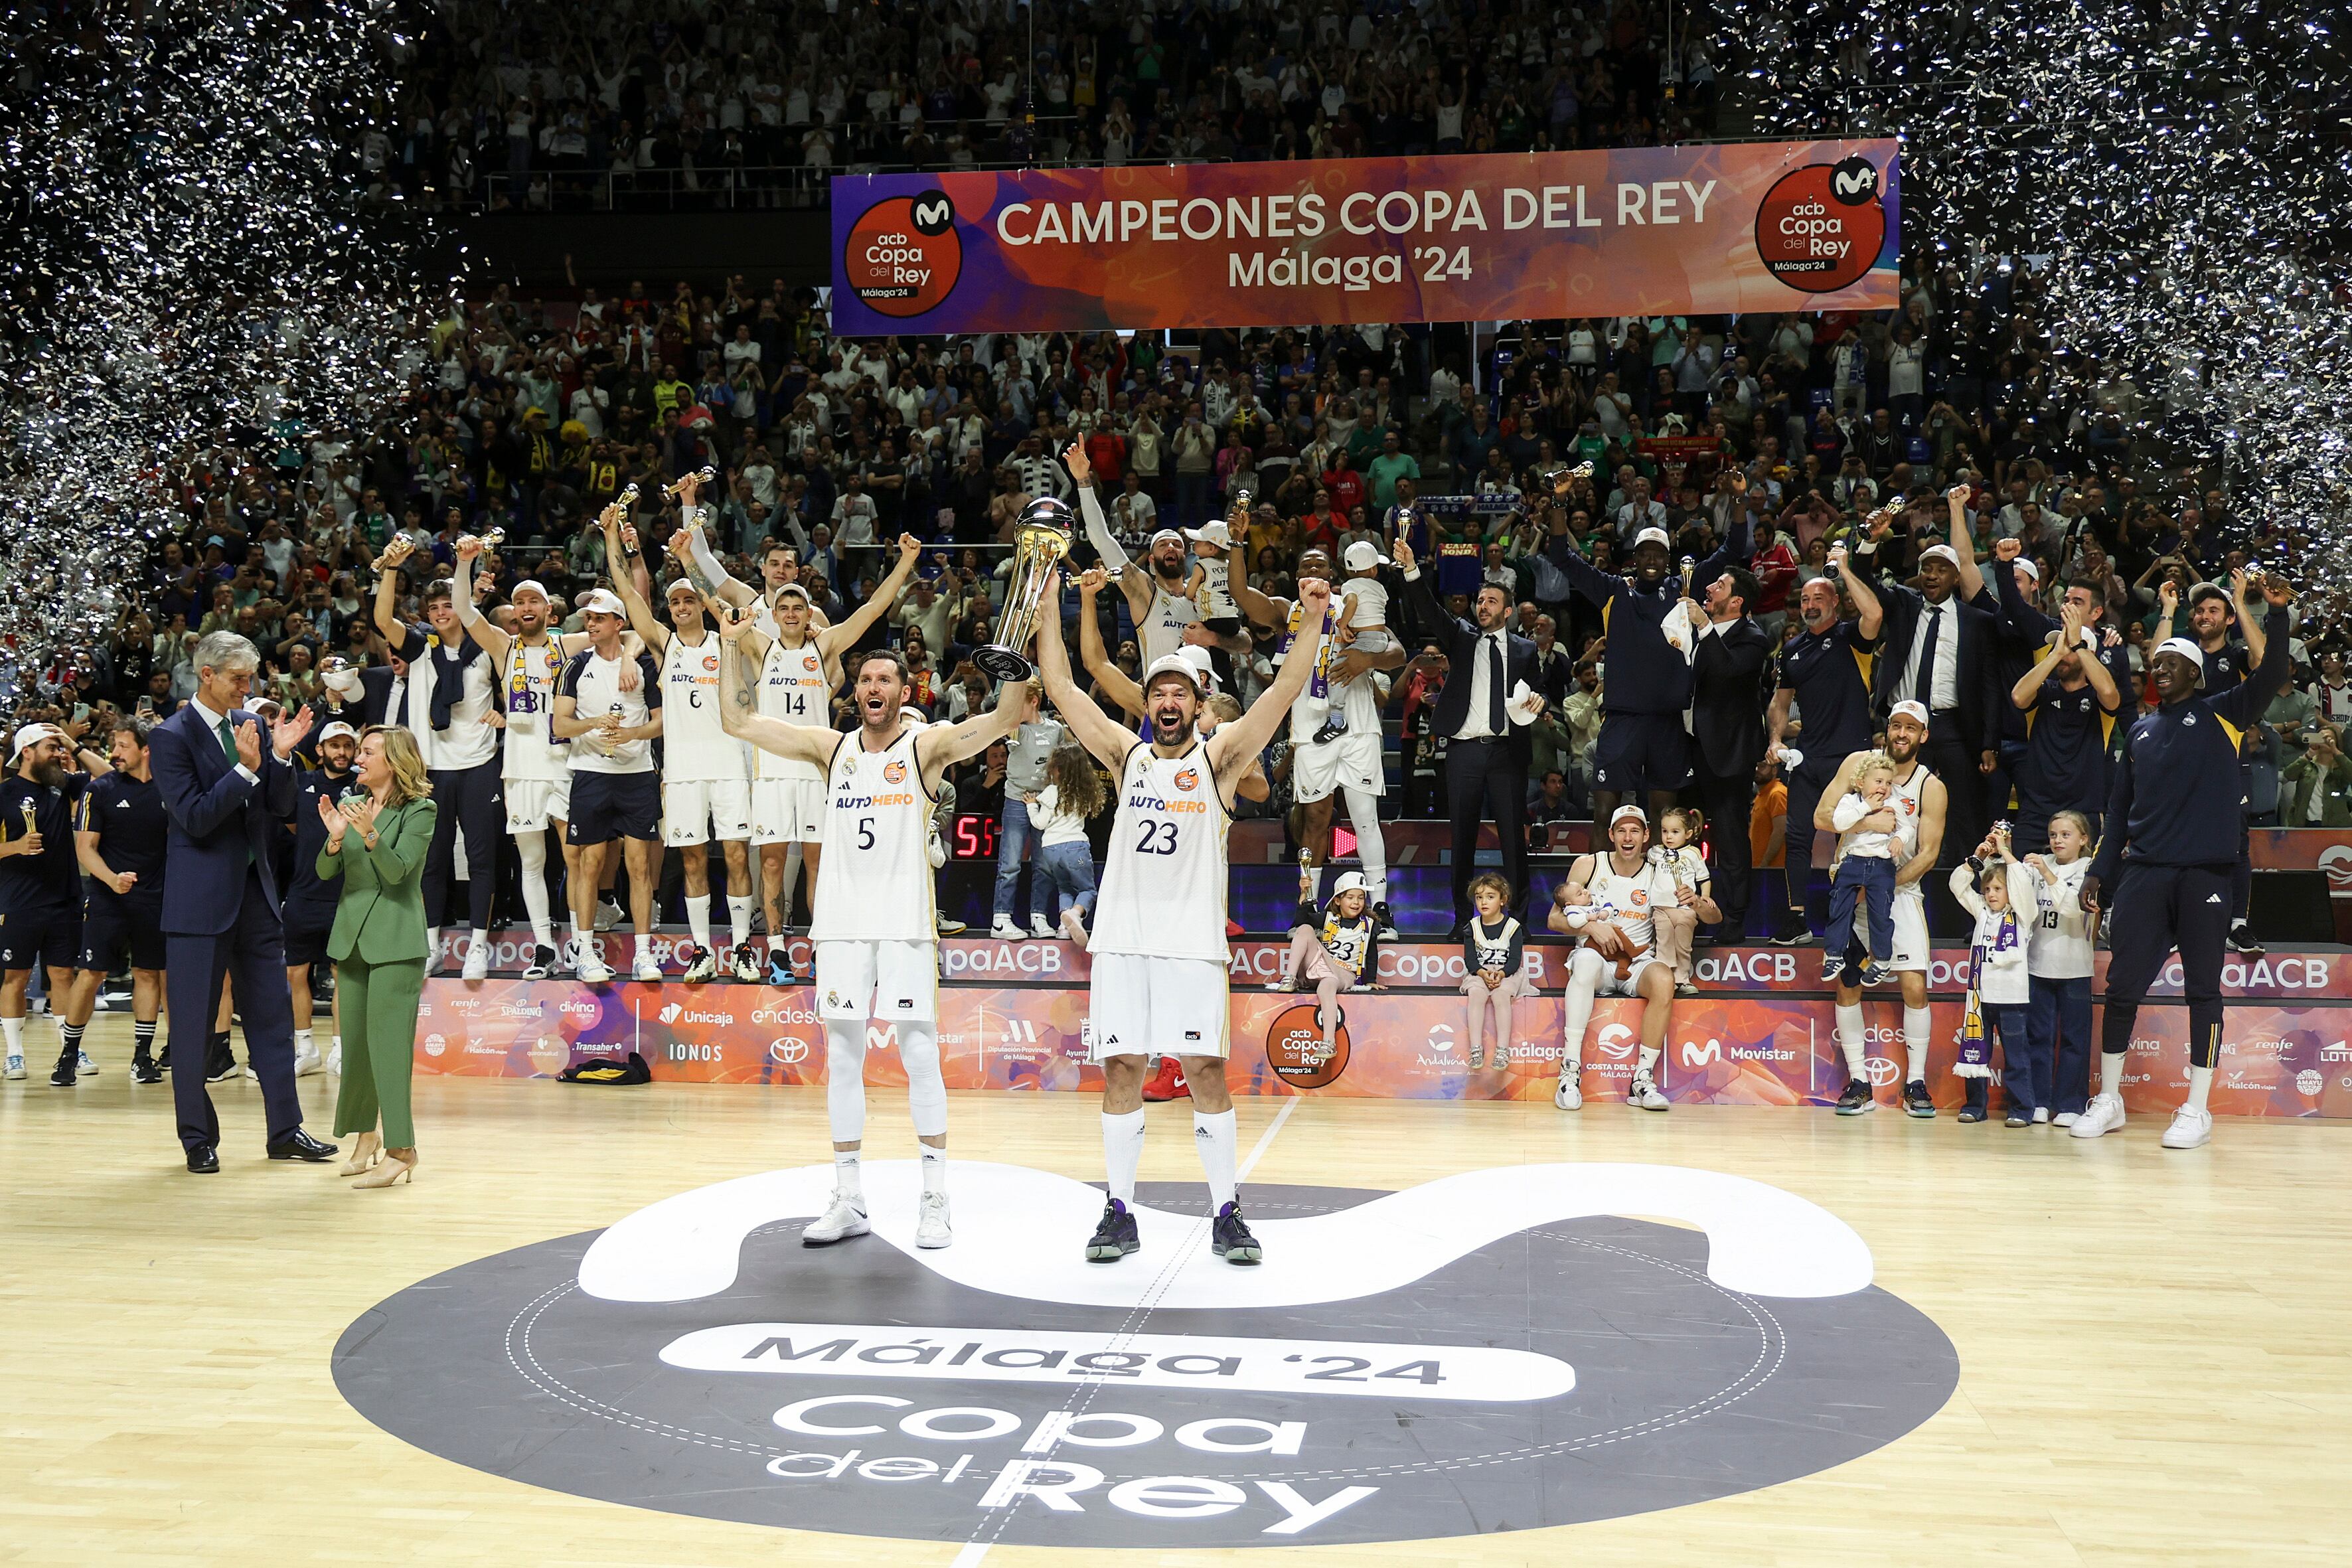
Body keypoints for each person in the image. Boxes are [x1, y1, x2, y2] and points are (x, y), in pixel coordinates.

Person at [1032, 567, 1327, 1267]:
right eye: (1159, 691)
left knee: (1205, 1073)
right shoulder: (1125, 755)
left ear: (1199, 707)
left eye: (1181, 693)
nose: (1168, 701)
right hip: (1126, 944)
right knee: (1123, 1069)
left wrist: (1311, 619)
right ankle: (1120, 1209)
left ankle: (1226, 1211)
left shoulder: (1221, 760)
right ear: (1149, 705)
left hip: (1193, 946)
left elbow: (1283, 692)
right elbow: (1066, 688)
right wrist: (1050, 607)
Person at [717, 619, 1034, 1252]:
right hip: (841, 927)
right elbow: (738, 722)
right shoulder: (830, 748)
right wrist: (729, 646)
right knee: (843, 1058)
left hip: (904, 928)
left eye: (884, 678)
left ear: (903, 691)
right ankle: (849, 1197)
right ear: (855, 692)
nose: (872, 685)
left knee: (917, 1055)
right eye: (864, 678)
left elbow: (1000, 721)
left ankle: (935, 1197)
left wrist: (1012, 668)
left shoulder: (925, 749)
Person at [2075, 572, 2294, 1150]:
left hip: (2206, 874)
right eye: (2157, 660)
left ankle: (2196, 1109)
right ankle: (2110, 1100)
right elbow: (2117, 815)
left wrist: (2272, 613)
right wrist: (2099, 871)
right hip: (2144, 873)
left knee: (2203, 989)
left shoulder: (2224, 711)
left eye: (2173, 660)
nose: (2160, 667)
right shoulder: (2139, 732)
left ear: (2195, 673)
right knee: (2121, 987)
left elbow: (2272, 673)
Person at [677, 525, 915, 981]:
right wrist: (689, 561)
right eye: (782, 606)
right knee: (769, 862)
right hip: (771, 771)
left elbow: (871, 610)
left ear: (809, 614)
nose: (789, 612)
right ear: (774, 612)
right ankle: (778, 951)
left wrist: (903, 562)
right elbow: (714, 604)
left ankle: (825, 944)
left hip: (817, 772)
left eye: (797, 607)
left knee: (819, 863)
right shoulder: (759, 646)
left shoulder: (823, 646)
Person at [147, 631, 337, 1173]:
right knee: (192, 1028)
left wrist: (278, 758)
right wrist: (246, 769)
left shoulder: (248, 726)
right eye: (237, 678)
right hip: (198, 903)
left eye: (250, 678)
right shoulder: (170, 737)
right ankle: (197, 1139)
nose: (246, 688)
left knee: (272, 1020)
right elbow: (196, 818)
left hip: (256, 897)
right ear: (206, 674)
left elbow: (279, 808)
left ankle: (286, 1130)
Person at [598, 508, 759, 982]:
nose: (684, 607)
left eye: (690, 600)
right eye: (677, 602)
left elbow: (717, 600)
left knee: (734, 855)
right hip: (684, 769)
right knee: (690, 857)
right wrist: (612, 537)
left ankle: (744, 948)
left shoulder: (727, 639)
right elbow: (627, 591)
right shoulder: (664, 645)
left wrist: (689, 562)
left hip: (729, 763)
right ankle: (701, 951)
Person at [451, 539, 619, 977]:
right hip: (521, 770)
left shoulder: (566, 646)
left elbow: (627, 632)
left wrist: (631, 659)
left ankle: (584, 948)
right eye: (518, 601)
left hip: (566, 766)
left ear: (549, 611)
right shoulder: (503, 647)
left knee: (577, 860)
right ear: (512, 612)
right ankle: (544, 946)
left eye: (534, 600)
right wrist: (464, 563)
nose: (525, 606)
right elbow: (465, 613)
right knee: (531, 862)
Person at [1231, 546, 1402, 935]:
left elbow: (1396, 650)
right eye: (1305, 565)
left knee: (1364, 820)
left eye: (1320, 565)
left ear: (1332, 573)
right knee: (1314, 820)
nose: (1312, 569)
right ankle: (1308, 906)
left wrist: (1368, 660)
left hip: (1358, 726)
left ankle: (1379, 909)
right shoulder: (1286, 611)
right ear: (1297, 575)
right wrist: (1240, 546)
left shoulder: (1353, 605)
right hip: (1310, 731)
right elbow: (1242, 594)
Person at [1549, 507, 1751, 834]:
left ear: (1668, 561)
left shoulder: (1684, 586)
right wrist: (1559, 502)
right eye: (1645, 555)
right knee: (1605, 814)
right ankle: (1599, 885)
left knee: (1664, 818)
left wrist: (1738, 499)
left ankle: (1660, 885)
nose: (1652, 561)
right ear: (1635, 559)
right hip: (1621, 719)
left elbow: (1734, 548)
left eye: (1659, 555)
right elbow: (1561, 555)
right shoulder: (1614, 590)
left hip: (1667, 722)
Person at [1393, 536, 1541, 931]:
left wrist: (1539, 701)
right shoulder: (1461, 636)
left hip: (1508, 751)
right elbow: (1427, 606)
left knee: (1514, 842)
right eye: (1480, 601)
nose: (1482, 607)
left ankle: (1519, 922)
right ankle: (1462, 920)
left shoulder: (1526, 650)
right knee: (1462, 841)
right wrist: (1411, 569)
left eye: (1491, 602)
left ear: (1508, 611)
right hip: (1464, 751)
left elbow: (1541, 691)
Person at [371, 538, 503, 979]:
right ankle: (431, 946)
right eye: (434, 608)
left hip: (480, 763)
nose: (442, 613)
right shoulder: (419, 647)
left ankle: (478, 949)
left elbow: (512, 695)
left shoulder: (485, 648)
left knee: (482, 859)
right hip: (432, 769)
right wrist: (390, 570)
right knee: (433, 860)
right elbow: (381, 619)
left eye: (449, 605)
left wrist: (502, 713)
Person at [313, 725, 437, 1188]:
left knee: (388, 1050)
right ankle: (367, 1137)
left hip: (395, 942)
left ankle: (402, 1150)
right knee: (358, 1051)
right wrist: (333, 839)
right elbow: (326, 871)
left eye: (367, 752)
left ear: (394, 760)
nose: (358, 758)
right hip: (352, 940)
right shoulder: (350, 806)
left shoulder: (421, 810)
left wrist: (370, 836)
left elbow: (399, 874)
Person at [1812, 702, 1948, 1119]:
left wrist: (1884, 887)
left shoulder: (1930, 787)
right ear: (1887, 729)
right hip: (1852, 884)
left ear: (1923, 735)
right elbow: (1821, 817)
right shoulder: (1859, 764)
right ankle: (1859, 1083)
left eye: (1911, 728)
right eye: (1895, 726)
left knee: (1914, 986)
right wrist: (1866, 825)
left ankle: (1916, 1083)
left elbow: (1928, 854)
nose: (1902, 734)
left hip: (1898, 892)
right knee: (1848, 983)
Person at [1849, 516, 2001, 867]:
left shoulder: (1976, 621)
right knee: (1895, 801)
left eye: (1942, 569)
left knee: (1961, 807)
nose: (1932, 575)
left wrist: (1989, 742)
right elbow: (1864, 576)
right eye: (1927, 568)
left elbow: (1989, 686)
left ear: (1956, 577)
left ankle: (1962, 881)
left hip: (1952, 726)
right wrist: (1869, 541)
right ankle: (1894, 873)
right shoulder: (1903, 604)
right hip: (1902, 724)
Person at [1549, 805, 1716, 1112]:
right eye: (1622, 830)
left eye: (1635, 830)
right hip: (1597, 959)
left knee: (1665, 979)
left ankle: (1642, 1079)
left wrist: (1697, 902)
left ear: (1646, 836)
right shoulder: (1588, 864)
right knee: (1584, 962)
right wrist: (1591, 926)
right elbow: (1554, 920)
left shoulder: (1661, 868)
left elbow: (1714, 917)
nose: (1628, 837)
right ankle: (1569, 1072)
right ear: (1611, 834)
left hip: (1637, 961)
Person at [1767, 540, 1882, 941]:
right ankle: (1797, 918)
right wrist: (1776, 739)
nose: (1810, 604)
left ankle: (1850, 921)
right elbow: (1779, 705)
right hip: (1808, 757)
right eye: (1804, 598)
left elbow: (1875, 612)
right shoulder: (1792, 650)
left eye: (1819, 597)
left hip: (1852, 760)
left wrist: (1844, 570)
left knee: (1852, 838)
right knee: (1797, 836)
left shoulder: (1853, 637)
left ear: (1835, 601)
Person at [550, 584, 665, 984]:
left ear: (619, 623)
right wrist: (594, 724)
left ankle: (644, 954)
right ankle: (585, 953)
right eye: (588, 618)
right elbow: (560, 724)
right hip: (590, 774)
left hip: (636, 776)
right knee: (588, 866)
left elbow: (661, 720)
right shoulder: (575, 665)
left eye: (599, 618)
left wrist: (634, 735)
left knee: (639, 867)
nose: (590, 623)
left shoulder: (643, 664)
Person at [60, 718, 170, 1083]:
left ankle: (142, 1057)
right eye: (114, 746)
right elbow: (84, 848)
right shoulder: (100, 789)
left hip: (155, 898)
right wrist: (112, 879)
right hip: (108, 898)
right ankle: (68, 1056)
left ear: (145, 749)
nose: (115, 753)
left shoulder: (169, 790)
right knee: (91, 974)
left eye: (123, 746)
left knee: (148, 974)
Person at [2, 724, 96, 1083]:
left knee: (62, 976)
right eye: (51, 747)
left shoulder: (63, 786)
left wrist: (74, 743)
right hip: (19, 899)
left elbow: (107, 776)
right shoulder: (5, 793)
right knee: (17, 976)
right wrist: (15, 847)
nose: (58, 754)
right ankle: (13, 1054)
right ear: (27, 751)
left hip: (65, 898)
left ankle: (69, 1051)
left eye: (60, 748)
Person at [1687, 565, 1772, 939]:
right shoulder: (1693, 631)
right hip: (1685, 745)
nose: (1709, 587)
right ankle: (1680, 915)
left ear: (1736, 601)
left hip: (1728, 754)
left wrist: (1704, 628)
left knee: (1730, 837)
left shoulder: (1753, 638)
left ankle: (1733, 920)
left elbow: (1726, 671)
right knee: (1675, 832)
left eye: (1719, 585)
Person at [1069, 441, 1200, 665]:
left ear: (1184, 555)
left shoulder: (1201, 593)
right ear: (1151, 560)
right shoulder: (1144, 590)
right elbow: (1102, 538)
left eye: (1177, 545)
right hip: (1161, 695)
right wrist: (1083, 481)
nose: (1171, 548)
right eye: (1163, 545)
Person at [2006, 603, 2122, 855]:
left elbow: (2110, 694)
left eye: (2067, 647)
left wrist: (2078, 646)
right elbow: (2018, 696)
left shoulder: (2098, 698)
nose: (2062, 652)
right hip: (2036, 811)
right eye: (2058, 645)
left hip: (2084, 812)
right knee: (2022, 886)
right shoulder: (2044, 691)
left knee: (2080, 891)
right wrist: (2057, 654)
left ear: (2086, 652)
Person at [281, 722, 360, 1076]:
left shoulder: (361, 787)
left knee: (342, 973)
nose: (341, 752)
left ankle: (340, 1051)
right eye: (335, 746)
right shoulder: (302, 784)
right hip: (303, 895)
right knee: (296, 971)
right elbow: (291, 828)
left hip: (345, 896)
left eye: (347, 746)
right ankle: (305, 1048)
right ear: (320, 750)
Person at [1948, 826, 2035, 1125]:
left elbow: (2023, 881)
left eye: (1998, 889)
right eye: (1987, 889)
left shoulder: (2023, 915)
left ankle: (2022, 1110)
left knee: (2016, 1058)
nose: (1991, 894)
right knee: (1976, 1056)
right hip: (1979, 999)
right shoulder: (1982, 912)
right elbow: (1957, 885)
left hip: (2011, 999)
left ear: (2011, 891)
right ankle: (1975, 1106)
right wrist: (1979, 856)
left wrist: (2005, 849)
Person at [2023, 810, 2096, 1125]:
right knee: (2038, 1036)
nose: (2057, 841)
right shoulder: (2039, 862)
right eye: (2053, 835)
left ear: (2083, 839)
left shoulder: (2090, 869)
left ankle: (2071, 1104)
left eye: (2066, 835)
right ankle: (2039, 1100)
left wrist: (2048, 875)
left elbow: (2072, 908)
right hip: (2037, 963)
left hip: (2075, 966)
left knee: (2074, 1039)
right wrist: (2002, 852)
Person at [1267, 864, 1381, 1063]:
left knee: (1327, 986)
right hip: (1318, 968)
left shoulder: (1369, 925)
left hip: (1342, 975)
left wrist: (1370, 980)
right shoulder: (1327, 918)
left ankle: (1328, 1043)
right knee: (1304, 929)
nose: (1356, 902)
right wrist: (1303, 894)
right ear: (1338, 900)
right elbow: (1300, 921)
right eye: (1350, 897)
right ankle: (1290, 978)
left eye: (1361, 898)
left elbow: (1371, 954)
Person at [990, 682, 1065, 939]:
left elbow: (1062, 764)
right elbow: (1003, 723)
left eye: (1018, 701)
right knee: (1010, 864)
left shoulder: (1056, 730)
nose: (1014, 707)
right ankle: (1001, 919)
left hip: (1045, 802)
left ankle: (1038, 918)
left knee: (1044, 865)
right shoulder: (1014, 729)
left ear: (1034, 701)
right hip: (1017, 800)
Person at [1827, 754, 1903, 986]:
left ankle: (1881, 960)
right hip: (1853, 862)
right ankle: (1834, 955)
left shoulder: (1894, 803)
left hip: (1881, 865)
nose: (1884, 788)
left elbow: (1907, 827)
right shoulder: (1850, 801)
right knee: (1839, 907)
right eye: (1878, 781)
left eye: (1889, 783)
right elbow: (1839, 824)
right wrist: (1866, 808)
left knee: (1880, 914)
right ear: (1861, 782)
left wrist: (1900, 837)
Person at [1314, 538, 1394, 743]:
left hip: (1365, 640)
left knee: (1335, 675)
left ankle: (1337, 720)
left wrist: (1343, 625)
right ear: (1374, 570)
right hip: (1379, 639)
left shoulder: (1351, 585)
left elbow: (1353, 602)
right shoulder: (1380, 588)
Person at [1030, 742, 1104, 945]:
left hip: (1051, 851)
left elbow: (1040, 823)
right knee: (1087, 890)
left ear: (1058, 769)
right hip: (1076, 849)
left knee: (1065, 888)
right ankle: (1075, 913)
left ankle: (1064, 927)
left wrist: (1030, 807)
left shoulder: (1051, 792)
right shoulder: (1085, 792)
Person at [1460, 871, 1533, 1071]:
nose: (1484, 902)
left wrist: (1501, 974)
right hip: (1480, 973)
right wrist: (1483, 974)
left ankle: (1502, 1050)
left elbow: (1515, 960)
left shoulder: (1513, 927)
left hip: (1507, 973)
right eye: (1479, 897)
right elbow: (1470, 960)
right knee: (1476, 995)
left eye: (1490, 897)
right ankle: (1476, 1049)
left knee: (1501, 996)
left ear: (1503, 900)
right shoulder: (1472, 927)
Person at [1648, 805, 1711, 995]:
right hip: (1661, 909)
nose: (1668, 837)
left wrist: (1705, 897)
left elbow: (1704, 879)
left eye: (1675, 832)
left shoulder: (1693, 854)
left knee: (1683, 945)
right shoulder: (1656, 852)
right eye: (1665, 831)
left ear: (1688, 833)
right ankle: (1666, 979)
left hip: (1685, 910)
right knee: (1664, 942)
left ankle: (1682, 979)